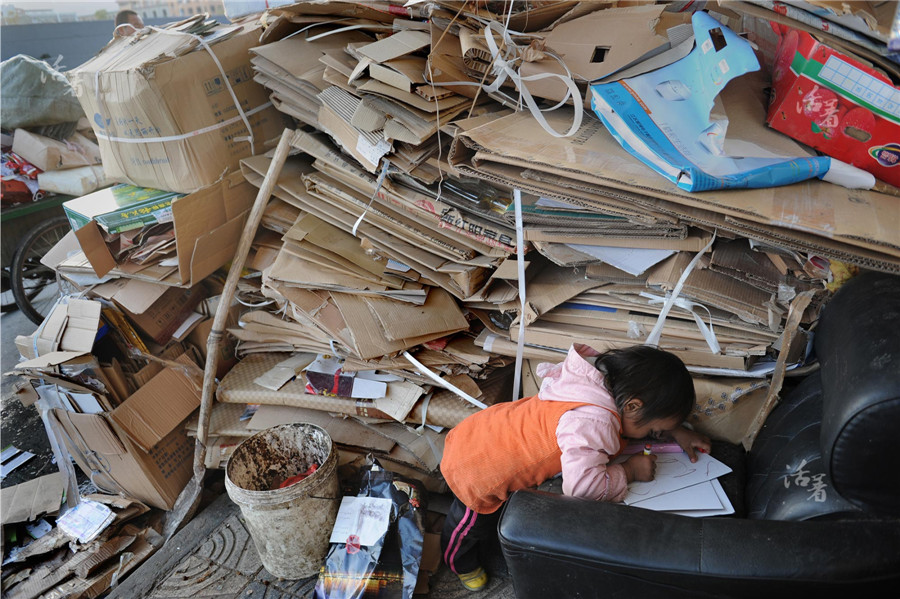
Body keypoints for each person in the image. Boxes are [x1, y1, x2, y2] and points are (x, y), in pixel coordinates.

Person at [439, 343, 711, 592]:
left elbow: (624, 426)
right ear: (632, 405)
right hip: (477, 468)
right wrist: (629, 471)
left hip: (486, 432)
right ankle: (458, 562)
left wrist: (677, 432)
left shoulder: (595, 381)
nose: (652, 435)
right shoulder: (593, 421)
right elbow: (582, 488)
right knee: (468, 525)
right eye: (654, 431)